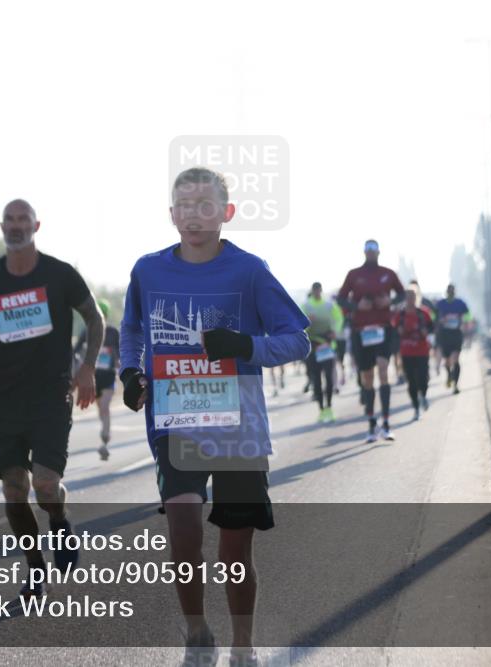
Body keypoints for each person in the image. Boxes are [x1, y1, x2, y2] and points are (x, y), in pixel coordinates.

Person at [119, 167, 309, 666]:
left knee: (233, 551)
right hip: (175, 420)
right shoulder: (148, 270)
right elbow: (133, 329)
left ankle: (243, 645)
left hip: (238, 426)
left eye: (206, 205)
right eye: (184, 205)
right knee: (182, 524)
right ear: (171, 215)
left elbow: (297, 340)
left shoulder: (249, 270)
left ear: (227, 213)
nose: (193, 215)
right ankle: (196, 629)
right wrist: (129, 372)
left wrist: (244, 345)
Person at [0, 198, 103, 602]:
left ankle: (60, 519)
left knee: (46, 484)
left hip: (50, 394)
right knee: (14, 490)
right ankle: (35, 569)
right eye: (10, 221)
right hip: (5, 398)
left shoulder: (60, 274)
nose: (16, 227)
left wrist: (86, 368)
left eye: (23, 220)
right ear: (2, 227)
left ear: (36, 225)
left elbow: (95, 318)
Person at [337, 239, 405, 443]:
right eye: (368, 250)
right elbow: (340, 299)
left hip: (383, 329)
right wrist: (357, 306)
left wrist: (390, 302)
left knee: (384, 371)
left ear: (379, 252)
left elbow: (402, 294)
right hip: (361, 331)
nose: (371, 253)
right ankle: (371, 425)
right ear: (364, 252)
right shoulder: (354, 274)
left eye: (374, 250)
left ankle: (386, 424)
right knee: (367, 378)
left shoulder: (388, 273)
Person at [75, 298, 119, 460]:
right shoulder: (86, 332)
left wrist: (119, 362)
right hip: (92, 379)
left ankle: (105, 438)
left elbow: (121, 351)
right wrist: (79, 363)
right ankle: (105, 434)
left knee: (105, 407)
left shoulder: (113, 332)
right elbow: (75, 350)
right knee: (101, 409)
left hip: (108, 376)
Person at [302, 282, 343, 423]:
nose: (317, 292)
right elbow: (299, 324)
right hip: (312, 345)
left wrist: (335, 332)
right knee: (316, 379)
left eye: (319, 290)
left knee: (329, 377)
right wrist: (308, 322)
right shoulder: (306, 306)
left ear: (321, 290)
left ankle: (329, 407)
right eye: (315, 290)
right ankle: (321, 409)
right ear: (312, 291)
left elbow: (339, 319)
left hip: (327, 344)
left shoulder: (329, 305)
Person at [391, 288, 434, 420]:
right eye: (408, 297)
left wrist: (426, 333)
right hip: (406, 352)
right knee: (411, 381)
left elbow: (432, 327)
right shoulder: (400, 315)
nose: (410, 300)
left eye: (413, 297)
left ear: (416, 298)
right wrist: (399, 331)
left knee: (423, 377)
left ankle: (423, 395)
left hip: (422, 351)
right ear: (405, 298)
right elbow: (393, 330)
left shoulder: (423, 313)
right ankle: (416, 408)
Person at [436, 284, 471, 395]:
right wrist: (440, 320)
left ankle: (456, 385)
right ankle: (449, 375)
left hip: (456, 334)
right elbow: (433, 316)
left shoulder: (460, 303)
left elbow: (468, 316)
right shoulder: (440, 304)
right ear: (446, 292)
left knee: (455, 359)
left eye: (452, 291)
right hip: (444, 335)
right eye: (449, 291)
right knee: (447, 361)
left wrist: (463, 322)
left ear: (455, 292)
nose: (451, 293)